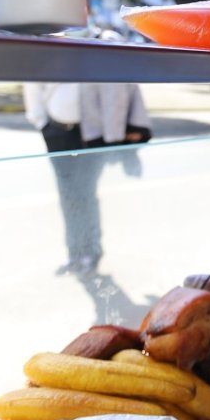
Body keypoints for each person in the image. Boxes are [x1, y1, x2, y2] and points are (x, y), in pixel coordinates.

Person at [24, 81, 151, 277]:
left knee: (85, 194)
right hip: (57, 132)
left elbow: (124, 85)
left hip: (91, 133)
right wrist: (42, 123)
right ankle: (74, 253)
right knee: (67, 195)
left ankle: (90, 252)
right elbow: (33, 84)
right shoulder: (53, 53)